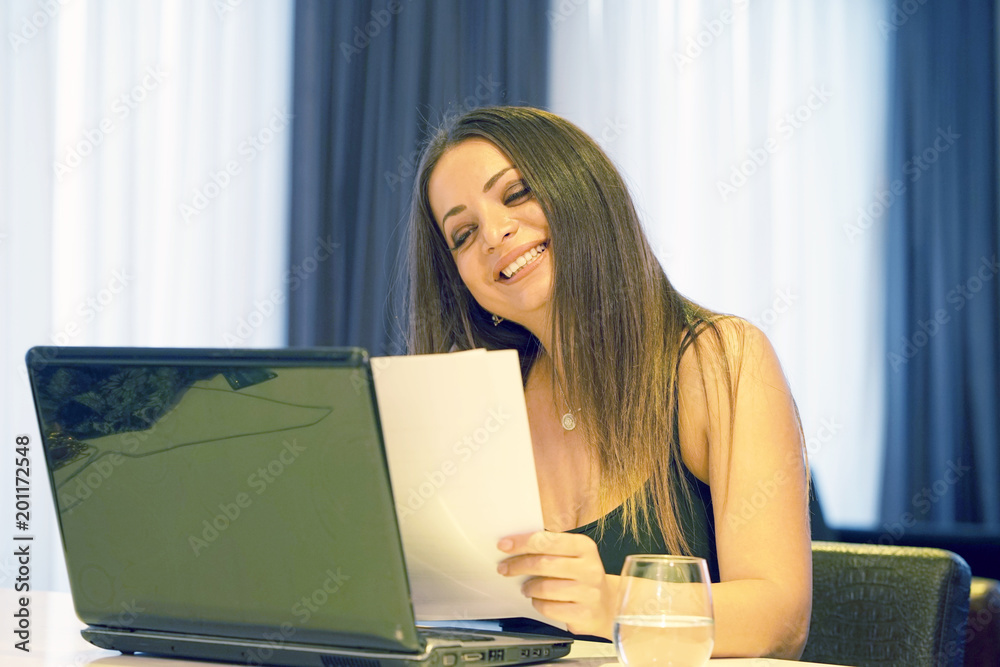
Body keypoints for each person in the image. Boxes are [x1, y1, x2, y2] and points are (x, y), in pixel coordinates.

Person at [405, 106, 811, 659]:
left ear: (583, 193)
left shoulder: (721, 360)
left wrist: (609, 600)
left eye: (517, 193)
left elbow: (780, 617)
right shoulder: (480, 404)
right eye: (463, 233)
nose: (494, 234)